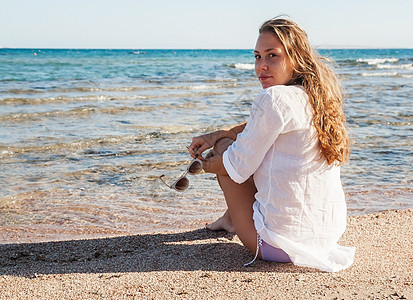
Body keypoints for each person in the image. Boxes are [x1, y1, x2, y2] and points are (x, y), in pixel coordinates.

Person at [187, 17, 355, 272]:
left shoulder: (274, 97)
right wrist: (220, 132)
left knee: (225, 151)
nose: (261, 66)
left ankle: (233, 220)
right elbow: (261, 126)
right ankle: (230, 217)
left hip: (275, 244)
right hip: (323, 239)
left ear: (296, 58)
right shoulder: (318, 96)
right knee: (241, 144)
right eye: (257, 57)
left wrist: (202, 163)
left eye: (272, 56)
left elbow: (237, 167)